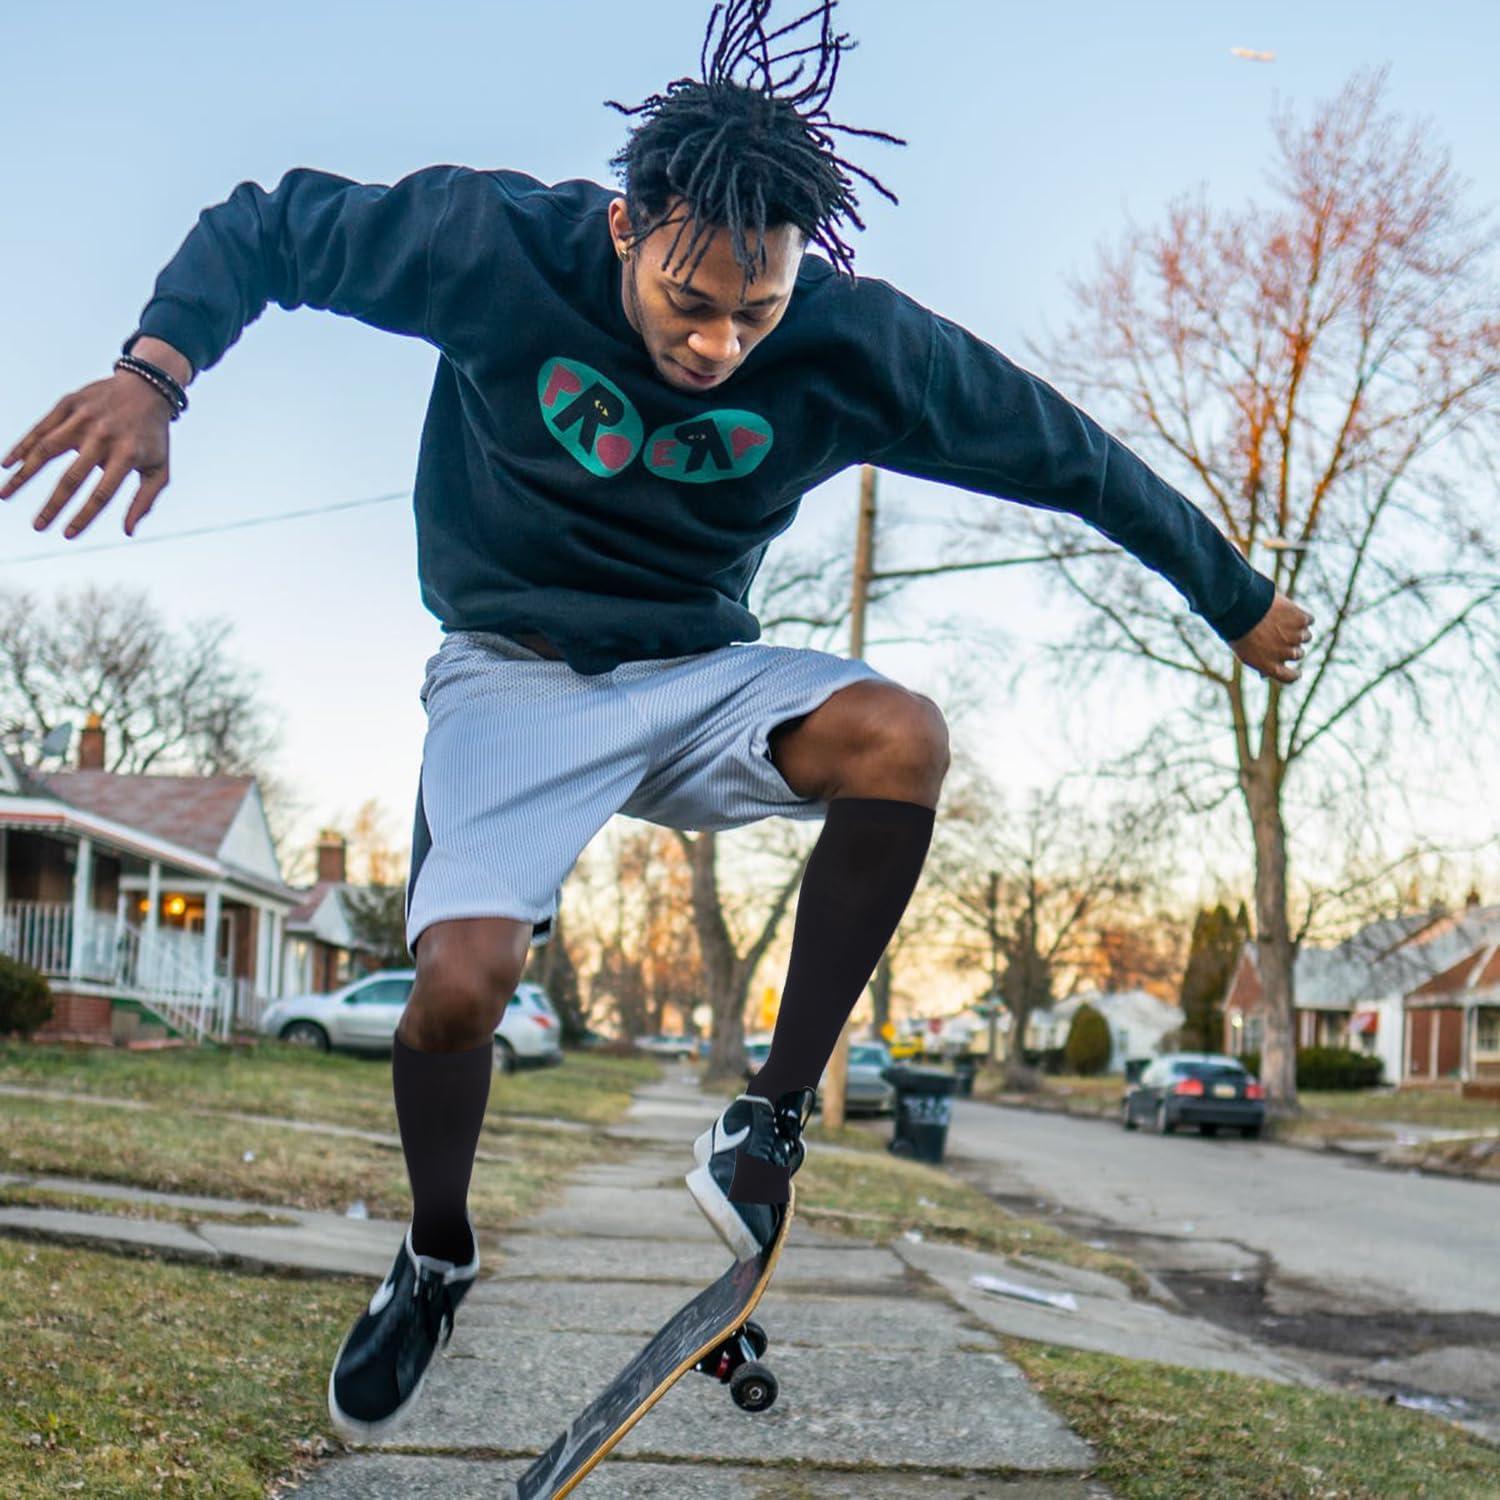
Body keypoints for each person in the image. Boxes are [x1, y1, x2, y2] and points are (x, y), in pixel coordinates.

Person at [0, 0, 1312, 1442]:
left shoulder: (853, 345)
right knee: (459, 985)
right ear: (628, 227)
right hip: (511, 669)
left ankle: (770, 1127)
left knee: (902, 737)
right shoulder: (489, 246)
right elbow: (270, 228)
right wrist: (154, 375)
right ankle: (438, 1250)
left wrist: (1231, 594)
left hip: (694, 672)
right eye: (692, 302)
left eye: (755, 310)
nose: (720, 344)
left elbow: (1067, 451)